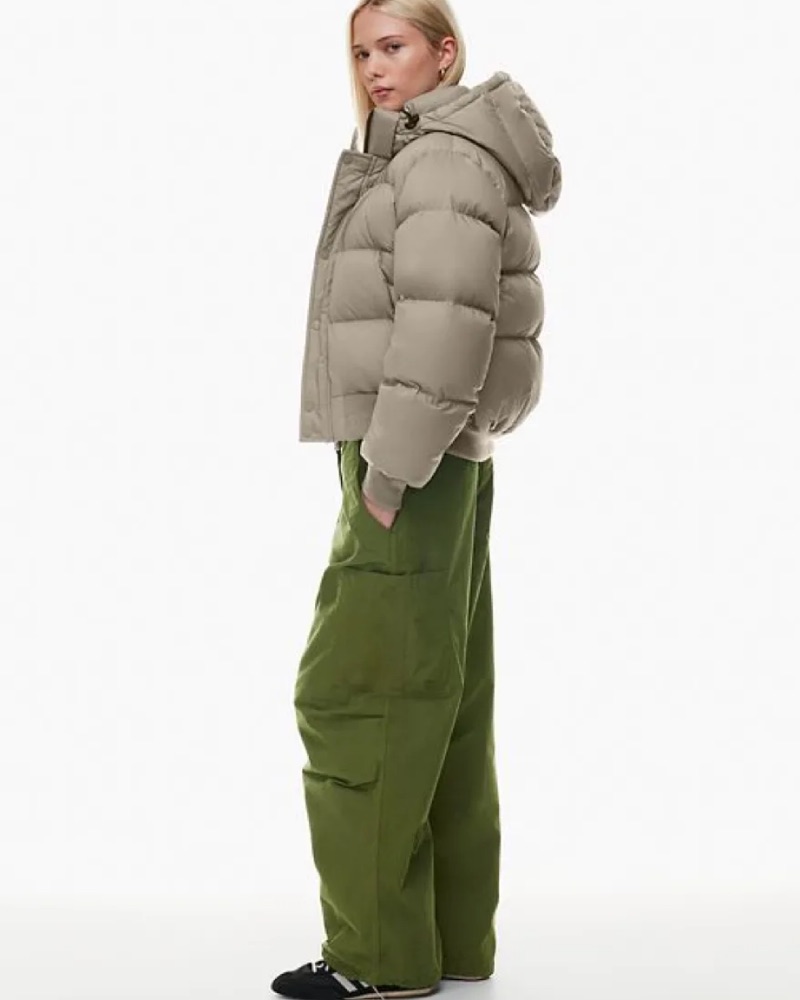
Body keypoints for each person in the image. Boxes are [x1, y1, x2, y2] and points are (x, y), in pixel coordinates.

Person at [271, 1, 561, 997]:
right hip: (445, 457)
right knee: (442, 700)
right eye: (360, 50)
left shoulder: (439, 160)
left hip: (411, 459)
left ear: (445, 52)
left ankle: (376, 958)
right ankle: (447, 944)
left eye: (392, 46)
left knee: (359, 696)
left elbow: (443, 329)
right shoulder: (436, 153)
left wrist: (388, 472)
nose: (372, 67)